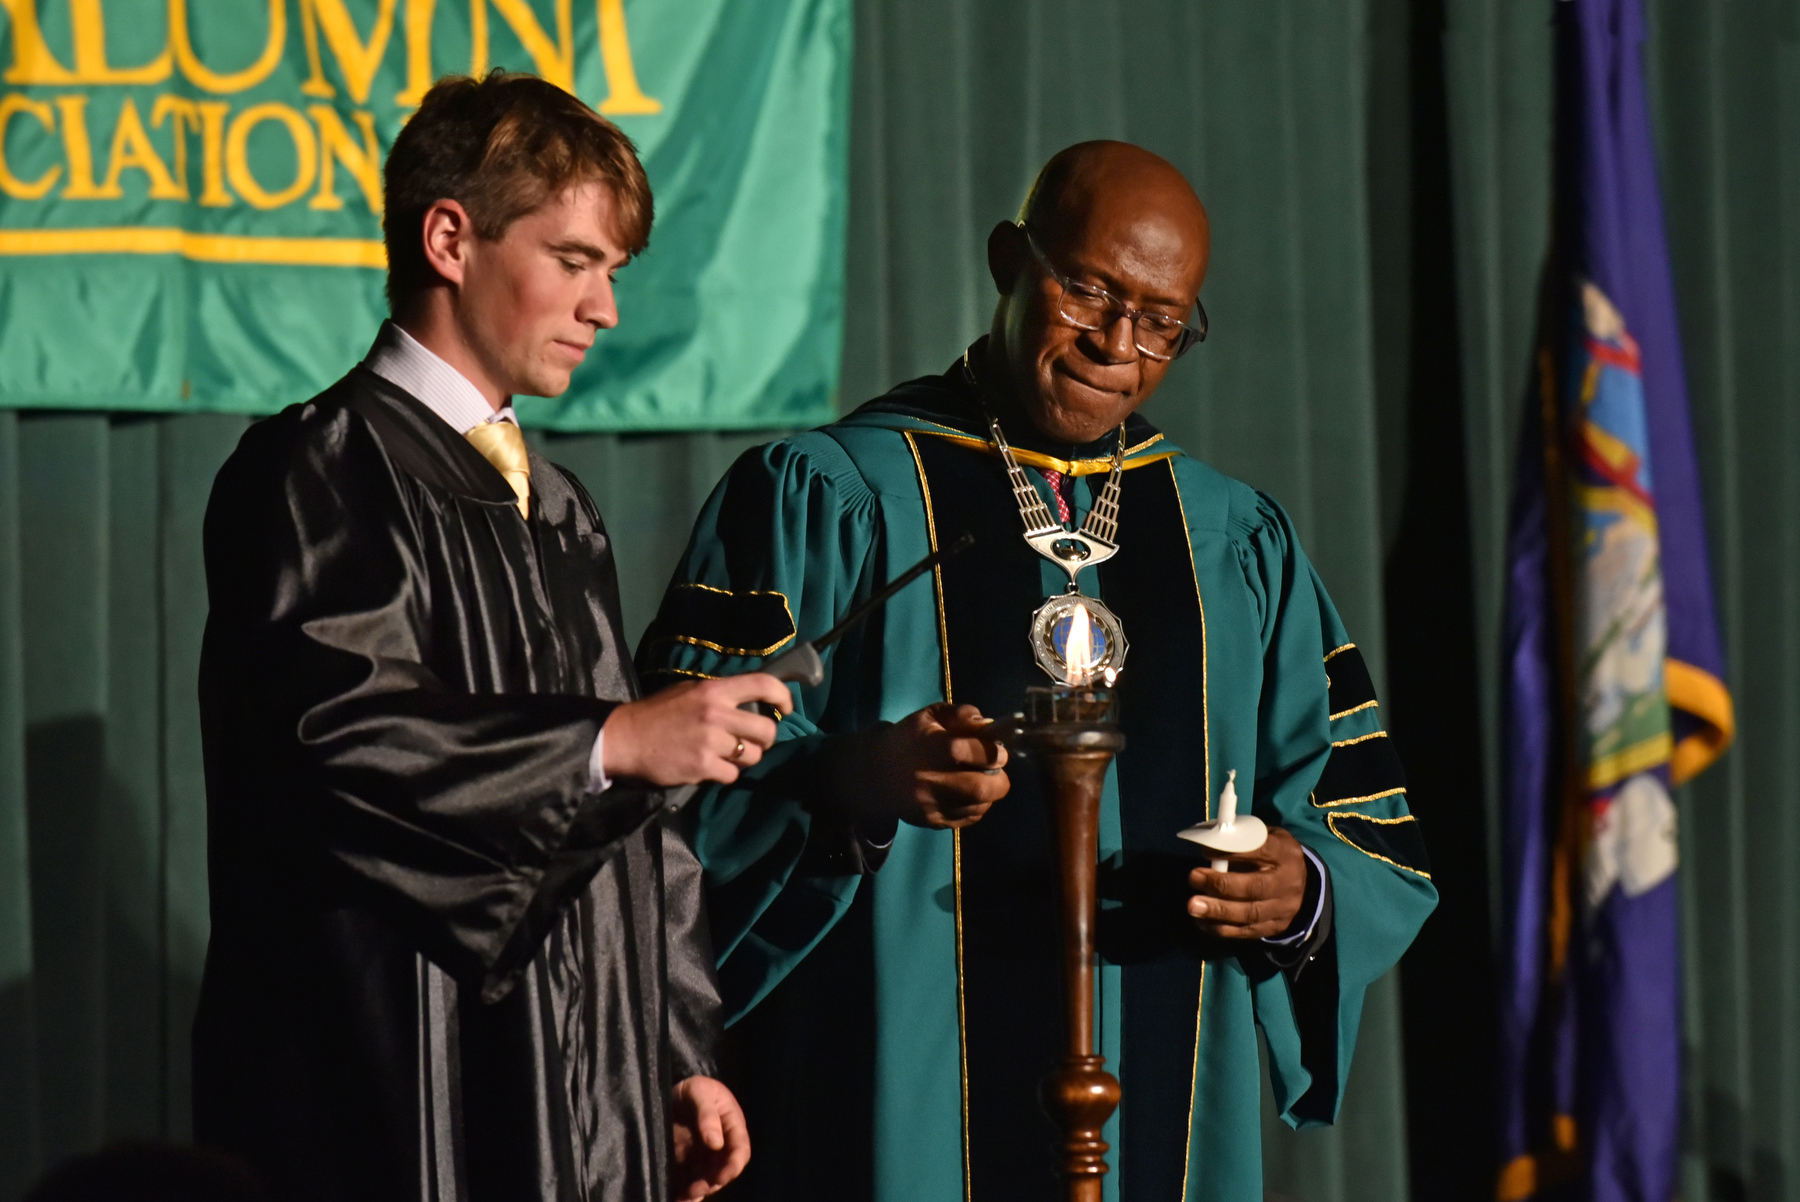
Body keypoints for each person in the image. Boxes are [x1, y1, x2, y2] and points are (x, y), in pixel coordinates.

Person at [636, 141, 1440, 1201]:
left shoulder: (1234, 542)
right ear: (1010, 259)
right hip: (887, 1089)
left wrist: (1300, 892)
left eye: (1162, 322)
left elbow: (1359, 819)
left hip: (1159, 1089)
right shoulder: (831, 495)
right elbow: (665, 794)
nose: (1119, 345)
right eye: (1092, 291)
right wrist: (859, 776)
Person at [193, 72, 786, 1202]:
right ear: (451, 238)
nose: (605, 306)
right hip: (401, 1064)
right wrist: (607, 743)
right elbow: (348, 741)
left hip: (592, 1077)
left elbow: (634, 823)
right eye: (574, 260)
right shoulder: (317, 471)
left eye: (613, 271)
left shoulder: (556, 505)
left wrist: (674, 1045)